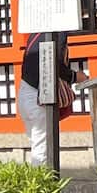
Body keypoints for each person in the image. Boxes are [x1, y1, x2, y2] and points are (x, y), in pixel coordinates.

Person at [18, 32, 88, 166]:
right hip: (39, 95)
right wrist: (74, 76)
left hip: (25, 91)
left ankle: (37, 183)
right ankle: (42, 185)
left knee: (36, 144)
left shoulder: (35, 33)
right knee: (42, 150)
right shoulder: (57, 32)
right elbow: (55, 63)